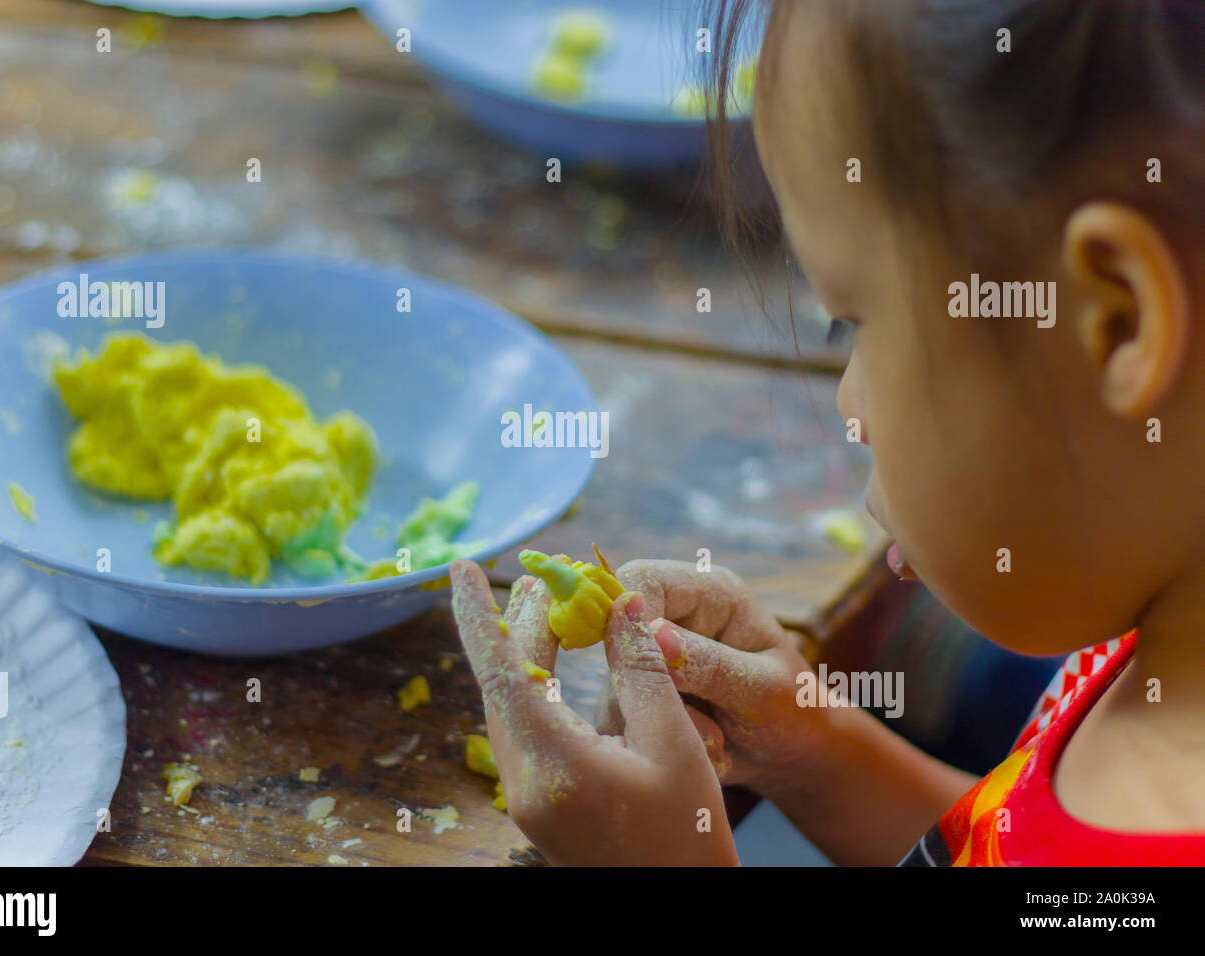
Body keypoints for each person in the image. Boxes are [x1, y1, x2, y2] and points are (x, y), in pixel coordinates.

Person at [448, 0, 1205, 865]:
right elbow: (1016, 845)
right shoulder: (1162, 643)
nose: (852, 405)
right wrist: (815, 751)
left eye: (855, 322)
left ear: (1115, 322)